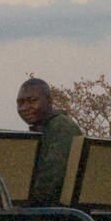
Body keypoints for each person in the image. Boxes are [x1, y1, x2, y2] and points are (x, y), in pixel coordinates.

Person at [16, 77, 84, 206]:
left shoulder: (61, 127)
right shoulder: (42, 129)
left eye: (33, 101)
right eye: (20, 103)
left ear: (49, 101)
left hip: (56, 213)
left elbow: (50, 181)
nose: (25, 107)